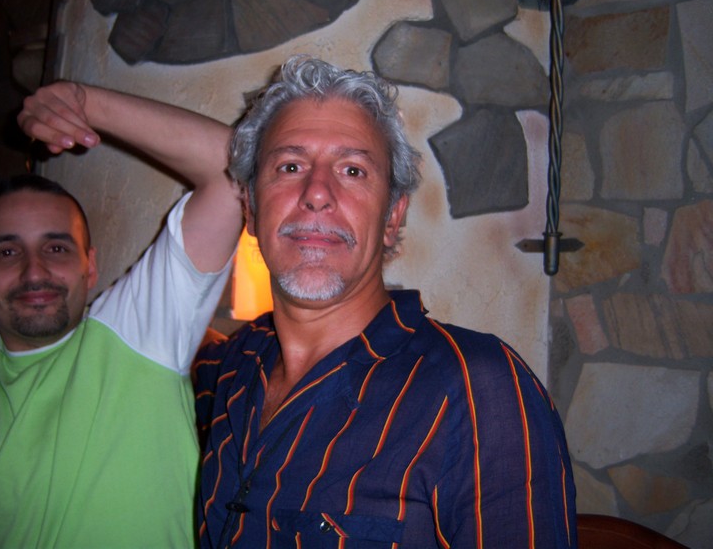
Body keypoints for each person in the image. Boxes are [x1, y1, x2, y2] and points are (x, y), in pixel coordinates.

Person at [193, 55, 577, 547]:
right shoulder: (229, 369)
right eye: (290, 166)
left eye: (352, 170)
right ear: (250, 207)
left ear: (393, 217)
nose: (316, 193)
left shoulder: (476, 390)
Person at [0, 84, 242, 548]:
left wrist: (83, 104)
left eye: (56, 248)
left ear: (90, 266)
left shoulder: (135, 333)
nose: (34, 271)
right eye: (7, 252)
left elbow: (233, 169)